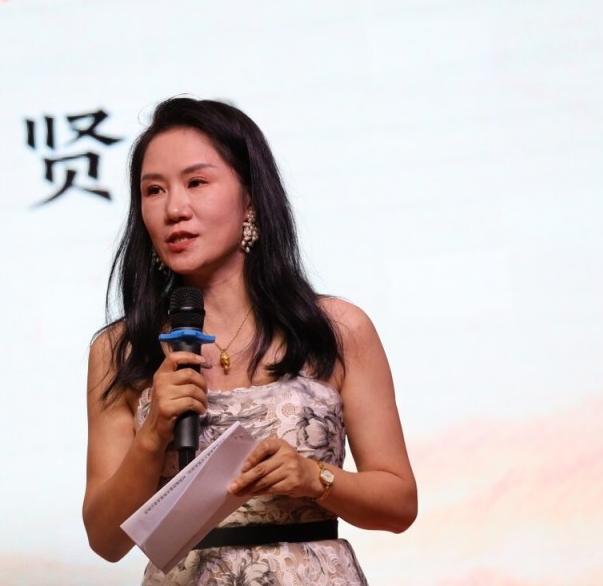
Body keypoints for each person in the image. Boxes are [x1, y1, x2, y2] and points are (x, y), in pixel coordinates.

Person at [82, 96, 417, 585]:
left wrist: (315, 478)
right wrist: (153, 433)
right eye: (154, 191)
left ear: (251, 198)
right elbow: (105, 540)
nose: (174, 209)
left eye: (197, 183)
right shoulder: (121, 351)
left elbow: (399, 504)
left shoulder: (337, 329)